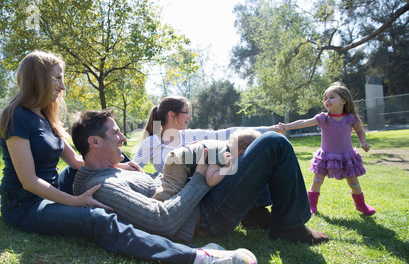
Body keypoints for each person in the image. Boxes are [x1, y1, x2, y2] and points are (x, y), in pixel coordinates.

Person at [0, 50, 259, 264]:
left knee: (107, 179)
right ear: (38, 78)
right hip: (25, 202)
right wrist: (76, 202)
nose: (62, 86)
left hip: (52, 185)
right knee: (96, 218)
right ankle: (199, 258)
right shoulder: (18, 116)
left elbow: (77, 161)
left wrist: (119, 168)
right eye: (57, 78)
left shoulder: (45, 118)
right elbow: (28, 180)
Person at [72, 109, 329, 245]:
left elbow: (156, 188)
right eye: (116, 134)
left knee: (244, 146)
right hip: (204, 219)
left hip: (200, 201)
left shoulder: (112, 170)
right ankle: (290, 227)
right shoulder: (101, 185)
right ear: (94, 142)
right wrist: (200, 176)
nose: (124, 138)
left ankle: (256, 212)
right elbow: (161, 221)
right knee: (273, 143)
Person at [134, 96, 275, 228]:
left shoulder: (190, 134)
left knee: (243, 160)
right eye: (186, 112)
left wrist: (270, 130)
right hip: (181, 191)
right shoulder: (152, 142)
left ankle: (256, 210)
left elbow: (226, 133)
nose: (189, 117)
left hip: (206, 184)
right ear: (171, 115)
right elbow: (135, 169)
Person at [278, 81, 375, 216]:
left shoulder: (350, 118)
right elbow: (304, 122)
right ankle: (311, 205)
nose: (327, 100)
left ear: (343, 100)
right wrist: (287, 126)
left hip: (347, 156)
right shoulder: (323, 118)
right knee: (317, 180)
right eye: (325, 98)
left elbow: (360, 130)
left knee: (354, 182)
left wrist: (363, 142)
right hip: (326, 157)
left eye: (331, 97)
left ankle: (361, 204)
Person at [154, 129, 261, 201]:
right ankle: (152, 208)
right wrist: (227, 168)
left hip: (179, 158)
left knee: (173, 188)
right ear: (241, 153)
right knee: (171, 191)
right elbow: (210, 179)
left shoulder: (225, 145)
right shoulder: (224, 155)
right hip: (179, 162)